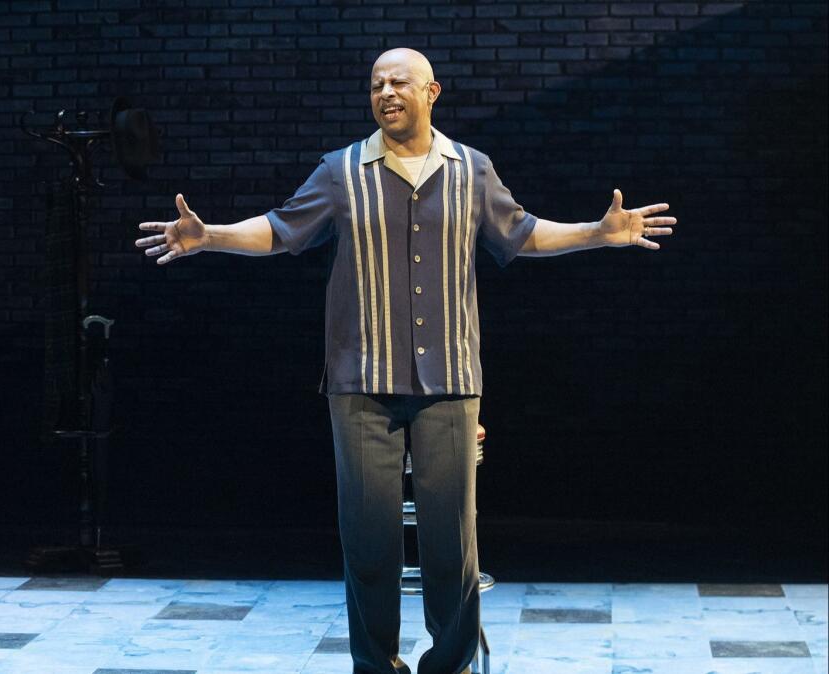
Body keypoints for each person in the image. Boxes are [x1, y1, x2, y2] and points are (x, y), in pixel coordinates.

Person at [136, 48, 675, 674]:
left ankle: (446, 665)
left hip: (449, 379)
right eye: (375, 85)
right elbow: (282, 229)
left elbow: (521, 233)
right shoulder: (340, 172)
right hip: (361, 382)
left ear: (432, 92)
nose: (386, 92)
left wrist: (596, 232)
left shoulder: (471, 169)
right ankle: (377, 666)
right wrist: (212, 237)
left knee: (453, 544)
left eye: (399, 82)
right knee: (369, 542)